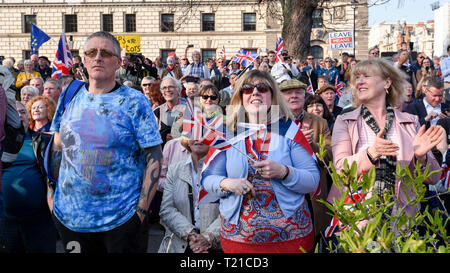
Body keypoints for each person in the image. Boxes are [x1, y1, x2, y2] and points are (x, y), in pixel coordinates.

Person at [48, 31, 163, 253]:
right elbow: (57, 147)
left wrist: (140, 213)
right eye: (91, 52)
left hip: (120, 222)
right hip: (71, 221)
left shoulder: (135, 101)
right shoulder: (69, 95)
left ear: (119, 62)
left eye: (105, 53)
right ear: (84, 59)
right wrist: (51, 199)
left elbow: (154, 157)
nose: (98, 57)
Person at [202, 69, 320, 253]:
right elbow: (208, 178)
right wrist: (227, 183)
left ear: (272, 96)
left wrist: (284, 172)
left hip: (291, 239)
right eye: (248, 89)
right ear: (240, 96)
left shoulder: (289, 130)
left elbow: (313, 181)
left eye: (262, 88)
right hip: (238, 241)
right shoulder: (227, 133)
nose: (255, 92)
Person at [327, 58, 443, 220]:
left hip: (401, 217)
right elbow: (340, 170)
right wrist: (371, 153)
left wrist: (421, 157)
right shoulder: (345, 121)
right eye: (357, 77)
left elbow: (434, 178)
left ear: (387, 83)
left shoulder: (410, 121)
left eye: (366, 76)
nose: (359, 81)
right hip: (358, 218)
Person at [279, 79, 333, 246]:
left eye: (298, 92)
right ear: (280, 97)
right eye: (288, 93)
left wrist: (312, 145)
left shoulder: (319, 122)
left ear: (304, 96)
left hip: (312, 195)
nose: (294, 96)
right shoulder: (272, 121)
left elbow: (331, 157)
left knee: (314, 243)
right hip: (282, 191)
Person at [0, 101, 56, 253]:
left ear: (29, 116)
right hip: (7, 221)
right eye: (14, 112)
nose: (19, 116)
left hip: (39, 220)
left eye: (23, 112)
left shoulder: (43, 141)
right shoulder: (1, 145)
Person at [158, 137, 221, 253]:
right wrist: (191, 234)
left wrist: (207, 238)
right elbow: (167, 209)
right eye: (193, 133)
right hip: (180, 244)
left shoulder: (224, 169)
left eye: (205, 133)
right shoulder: (174, 170)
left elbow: (230, 211)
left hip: (215, 246)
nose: (199, 138)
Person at [154, 77, 186, 145]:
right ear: (162, 92)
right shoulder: (157, 112)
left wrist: (177, 139)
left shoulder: (189, 110)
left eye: (171, 87)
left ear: (179, 90)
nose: (167, 90)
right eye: (164, 88)